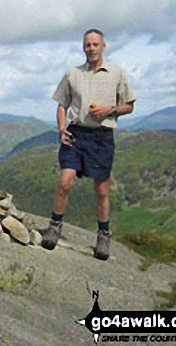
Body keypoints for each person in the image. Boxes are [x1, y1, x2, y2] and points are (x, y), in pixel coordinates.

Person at [41, 29, 136, 260]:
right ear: (83, 48)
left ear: (103, 46)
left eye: (95, 44)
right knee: (65, 181)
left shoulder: (116, 74)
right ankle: (55, 227)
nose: (91, 49)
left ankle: (103, 235)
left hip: (102, 136)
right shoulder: (73, 74)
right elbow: (62, 105)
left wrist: (109, 110)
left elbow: (129, 105)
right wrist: (61, 128)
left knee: (102, 189)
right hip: (75, 133)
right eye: (87, 45)